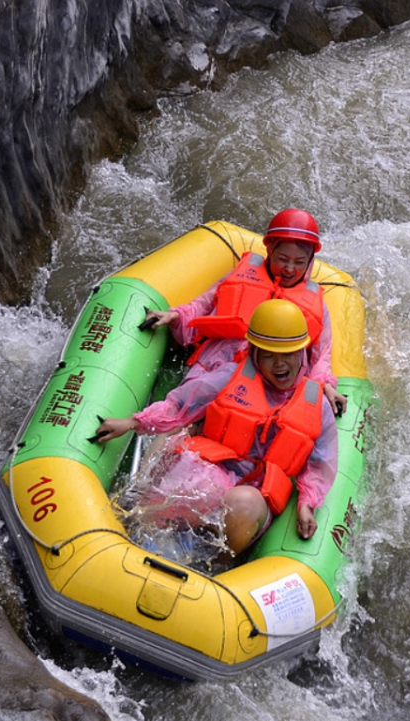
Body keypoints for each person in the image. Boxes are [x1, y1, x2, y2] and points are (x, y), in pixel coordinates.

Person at [96, 299, 338, 555]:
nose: (279, 364)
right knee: (196, 478)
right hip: (210, 471)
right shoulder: (230, 376)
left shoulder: (316, 404)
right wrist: (133, 423)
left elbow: (319, 465)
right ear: (254, 353)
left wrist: (306, 504)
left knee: (243, 503)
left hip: (254, 494)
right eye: (268, 355)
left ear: (302, 353)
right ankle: (136, 537)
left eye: (288, 354)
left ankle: (219, 565)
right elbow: (179, 406)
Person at [142, 208, 348, 416]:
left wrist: (325, 384)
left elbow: (322, 355)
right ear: (270, 250)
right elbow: (201, 306)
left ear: (310, 261)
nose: (289, 269)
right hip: (217, 362)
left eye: (299, 262)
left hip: (269, 380)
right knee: (181, 416)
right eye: (283, 259)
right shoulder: (243, 274)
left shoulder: (316, 303)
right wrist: (175, 316)